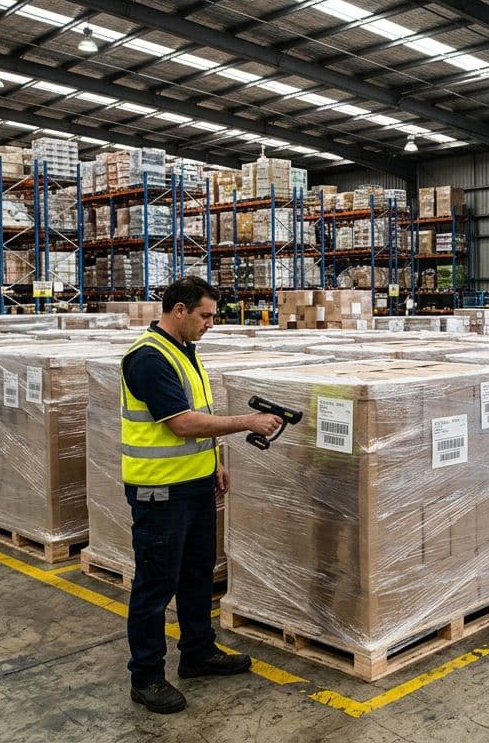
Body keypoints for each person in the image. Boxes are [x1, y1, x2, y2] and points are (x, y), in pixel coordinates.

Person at [121, 276, 282, 713]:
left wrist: (215, 463)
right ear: (179, 311)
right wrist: (248, 423)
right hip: (160, 491)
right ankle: (147, 676)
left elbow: (196, 422)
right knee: (155, 585)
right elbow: (182, 423)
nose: (211, 323)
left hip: (194, 484)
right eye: (205, 315)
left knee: (196, 576)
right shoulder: (149, 359)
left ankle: (197, 652)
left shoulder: (185, 354)